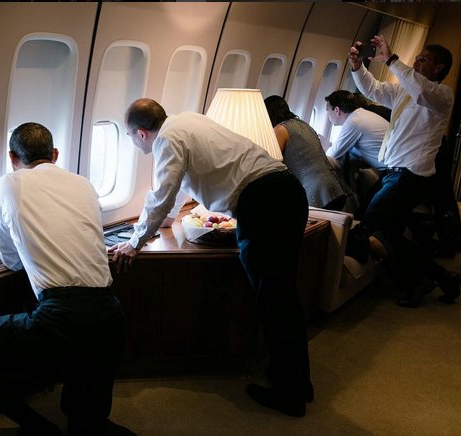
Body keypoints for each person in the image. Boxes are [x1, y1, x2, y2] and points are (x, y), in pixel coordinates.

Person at [0, 123, 231, 436]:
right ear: (55, 155)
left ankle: (38, 432)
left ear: (13, 159)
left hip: (61, 318)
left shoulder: (8, 184)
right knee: (89, 430)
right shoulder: (84, 185)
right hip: (110, 314)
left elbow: (10, 259)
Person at [110, 99, 313, 418]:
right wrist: (167, 220)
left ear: (141, 133)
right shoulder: (187, 121)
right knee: (283, 297)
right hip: (286, 192)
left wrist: (134, 243)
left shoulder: (167, 140)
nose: (133, 143)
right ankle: (297, 382)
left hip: (263, 204)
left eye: (129, 136)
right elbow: (178, 186)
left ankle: (289, 394)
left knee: (274, 300)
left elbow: (161, 194)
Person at [346, 35, 461, 307]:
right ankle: (442, 277)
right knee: (390, 232)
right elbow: (374, 90)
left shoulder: (442, 96)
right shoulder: (404, 91)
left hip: (411, 175)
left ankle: (417, 281)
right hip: (395, 173)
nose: (416, 62)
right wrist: (357, 67)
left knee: (371, 224)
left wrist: (391, 60)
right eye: (417, 58)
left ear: (438, 68)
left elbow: (421, 91)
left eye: (423, 59)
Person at [263, 95, 352, 211]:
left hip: (317, 192)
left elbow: (271, 164)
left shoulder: (280, 130)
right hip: (335, 186)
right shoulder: (303, 125)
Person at [324, 89, 388, 171]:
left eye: (328, 111)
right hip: (397, 166)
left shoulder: (353, 122)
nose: (328, 116)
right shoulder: (360, 114)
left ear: (336, 110)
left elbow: (332, 155)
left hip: (397, 170)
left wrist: (325, 147)